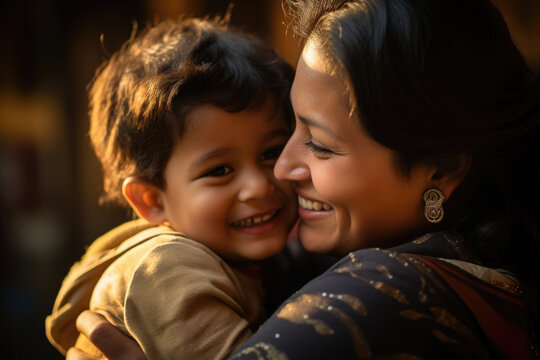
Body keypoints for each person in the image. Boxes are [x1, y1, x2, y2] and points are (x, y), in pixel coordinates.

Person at [66, 0, 540, 358]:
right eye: (293, 130)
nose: (282, 170)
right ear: (149, 198)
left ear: (440, 166)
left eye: (319, 143)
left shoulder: (380, 295)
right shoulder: (168, 269)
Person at [44, 16, 305, 360]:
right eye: (220, 170)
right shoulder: (166, 269)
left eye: (271, 153)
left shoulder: (250, 262)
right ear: (151, 200)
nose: (258, 187)